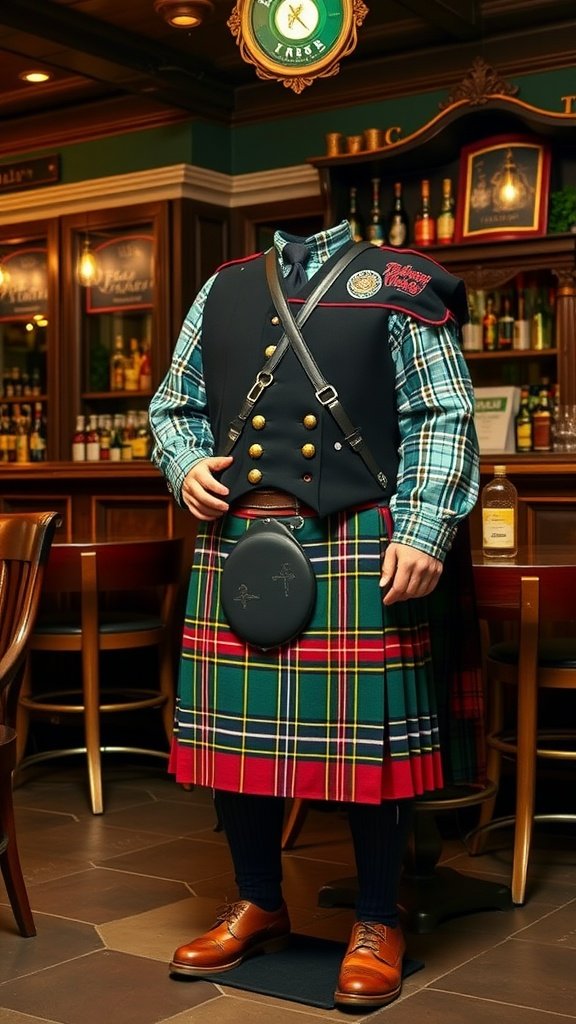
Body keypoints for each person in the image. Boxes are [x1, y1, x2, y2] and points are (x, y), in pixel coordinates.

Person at [149, 219, 480, 1010]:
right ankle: (258, 900)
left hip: (358, 536)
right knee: (239, 736)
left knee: (371, 747)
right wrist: (185, 461)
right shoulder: (223, 285)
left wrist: (427, 527)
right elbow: (172, 406)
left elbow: (443, 414)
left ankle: (376, 920)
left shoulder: (399, 279)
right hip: (240, 541)